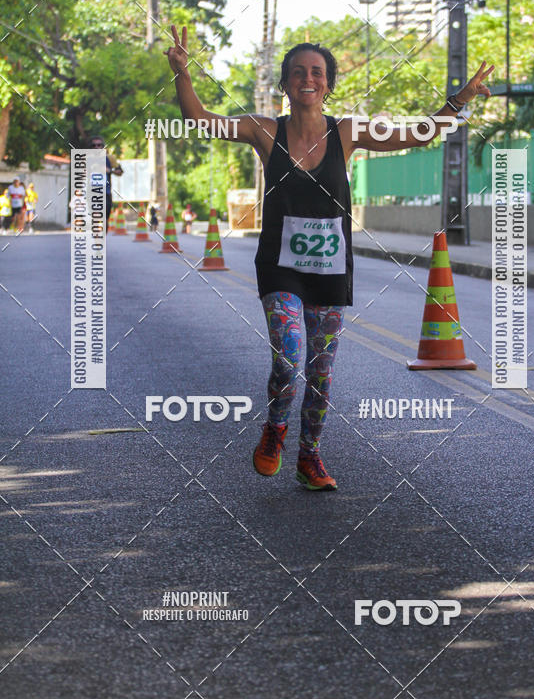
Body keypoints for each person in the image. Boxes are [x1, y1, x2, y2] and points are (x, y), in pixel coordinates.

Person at [165, 25, 494, 491]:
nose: (308, 78)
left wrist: (459, 99)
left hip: (329, 270)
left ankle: (310, 456)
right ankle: (276, 428)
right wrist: (182, 73)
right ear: (284, 84)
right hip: (280, 268)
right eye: (298, 71)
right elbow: (202, 119)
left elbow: (418, 135)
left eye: (317, 72)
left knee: (321, 372)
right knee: (290, 359)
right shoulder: (264, 130)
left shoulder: (348, 131)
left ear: (328, 83)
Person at [87, 136, 124, 231]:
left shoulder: (110, 158)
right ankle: (96, 239)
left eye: (99, 145)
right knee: (95, 216)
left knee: (105, 220)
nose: (96, 147)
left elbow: (120, 171)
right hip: (92, 193)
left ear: (103, 147)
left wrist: (109, 170)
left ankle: (102, 236)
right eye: (93, 145)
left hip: (106, 193)